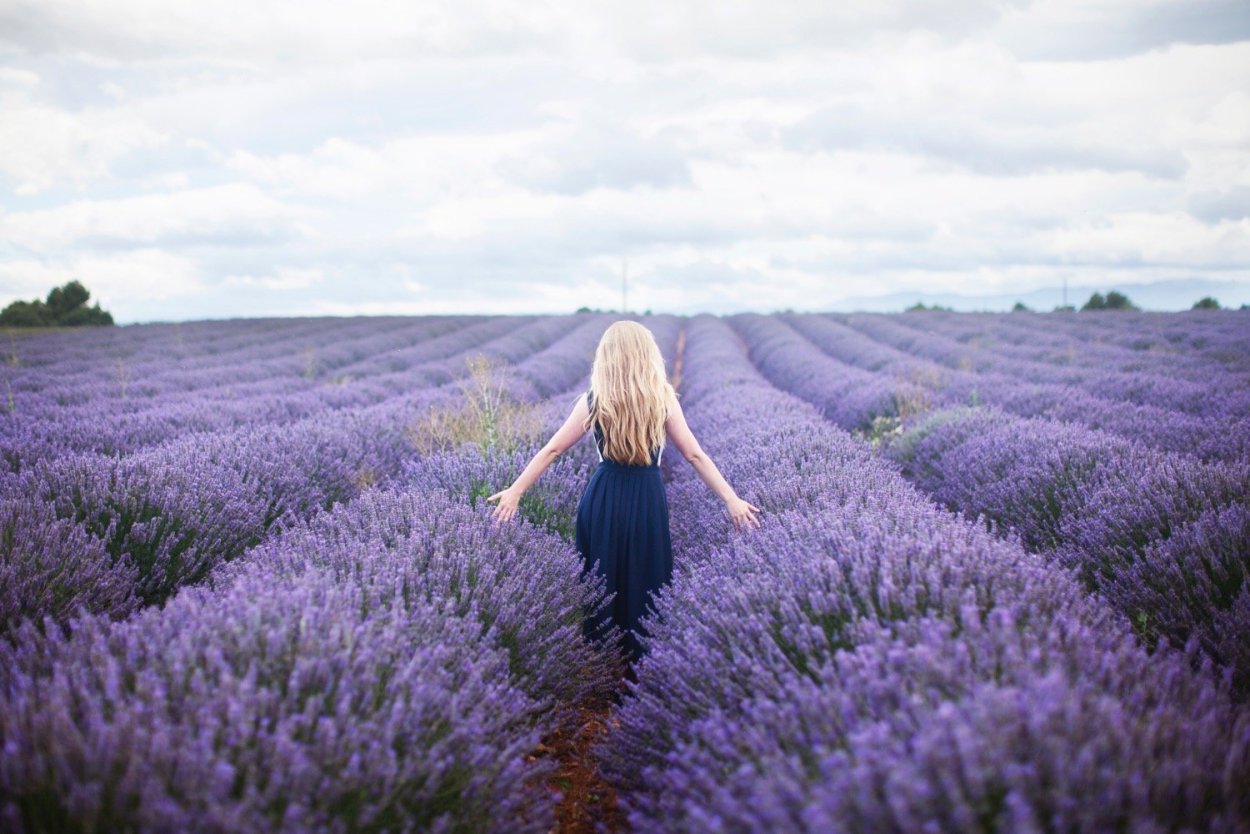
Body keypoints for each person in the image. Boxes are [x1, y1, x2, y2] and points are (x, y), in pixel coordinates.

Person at [487, 320, 761, 669]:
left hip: (603, 496)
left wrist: (516, 491)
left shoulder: (593, 401)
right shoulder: (662, 400)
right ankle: (640, 665)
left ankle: (603, 663)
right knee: (646, 578)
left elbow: (552, 450)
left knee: (601, 579)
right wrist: (731, 499)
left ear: (607, 357)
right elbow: (695, 455)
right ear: (648, 355)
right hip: (646, 496)